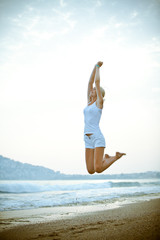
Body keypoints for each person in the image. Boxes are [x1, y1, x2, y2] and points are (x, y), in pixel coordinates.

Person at [83, 61, 126, 174]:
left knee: (98, 169)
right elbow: (90, 83)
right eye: (91, 90)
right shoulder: (89, 103)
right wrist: (93, 67)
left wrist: (98, 67)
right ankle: (106, 158)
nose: (91, 91)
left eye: (94, 90)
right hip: (87, 138)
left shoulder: (99, 103)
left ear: (98, 93)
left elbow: (96, 82)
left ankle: (114, 157)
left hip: (97, 137)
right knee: (91, 170)